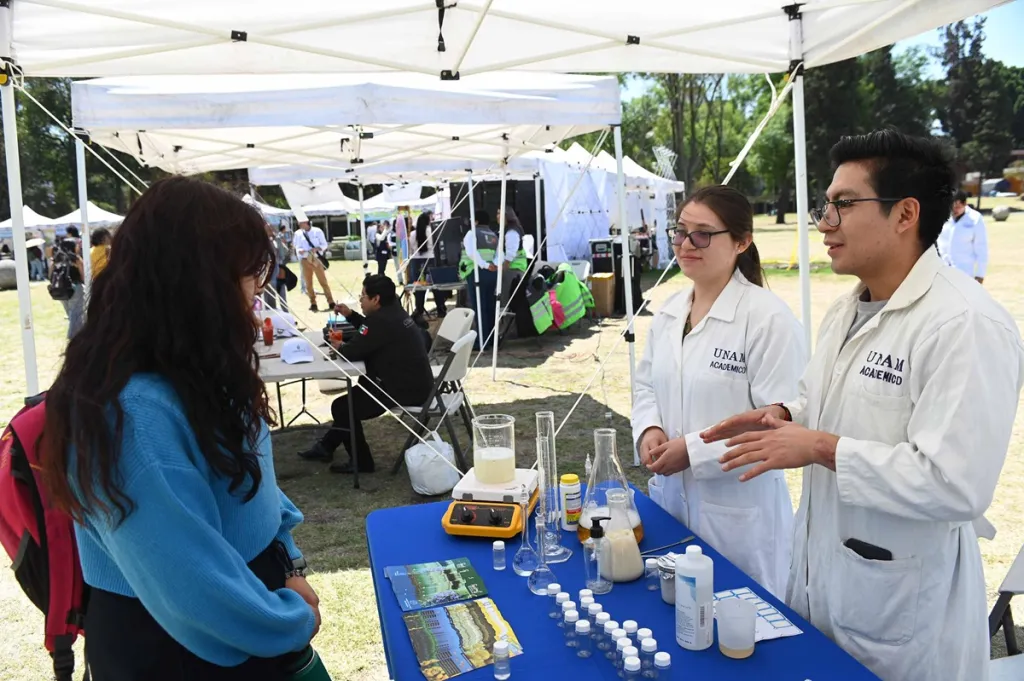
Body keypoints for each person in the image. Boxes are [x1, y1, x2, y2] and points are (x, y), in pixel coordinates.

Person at [702, 130, 1024, 681]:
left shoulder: (965, 325)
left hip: (904, 620)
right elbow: (830, 405)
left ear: (905, 214)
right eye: (826, 206)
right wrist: (786, 417)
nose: (824, 222)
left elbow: (955, 483)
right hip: (824, 586)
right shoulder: (847, 310)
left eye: (843, 205)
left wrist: (820, 447)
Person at [38, 177, 322, 680]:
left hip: (246, 616)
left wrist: (289, 564)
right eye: (246, 278)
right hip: (183, 650)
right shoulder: (129, 412)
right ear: (196, 285)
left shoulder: (197, 369)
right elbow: (191, 586)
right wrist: (288, 621)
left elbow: (254, 486)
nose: (257, 296)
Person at [631, 186, 805, 596]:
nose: (687, 244)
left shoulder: (767, 319)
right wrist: (650, 429)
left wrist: (692, 451)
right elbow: (645, 385)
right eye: (681, 231)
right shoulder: (670, 311)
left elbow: (782, 424)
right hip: (671, 502)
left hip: (739, 519)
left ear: (742, 242)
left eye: (703, 234)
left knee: (741, 626)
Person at [298, 274, 433, 474]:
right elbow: (370, 333)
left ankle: (362, 462)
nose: (360, 300)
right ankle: (326, 447)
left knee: (343, 407)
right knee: (356, 394)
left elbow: (353, 351)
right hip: (416, 383)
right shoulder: (393, 312)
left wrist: (339, 346)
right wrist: (351, 315)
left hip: (402, 389)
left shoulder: (380, 321)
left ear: (376, 299)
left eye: (363, 296)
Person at [459, 210, 499, 349]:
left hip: (477, 272)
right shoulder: (493, 235)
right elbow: (499, 253)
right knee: (490, 306)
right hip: (492, 273)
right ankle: (492, 339)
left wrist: (485, 265)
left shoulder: (472, 233)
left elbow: (471, 253)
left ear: (476, 221)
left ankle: (482, 341)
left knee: (479, 307)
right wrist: (493, 265)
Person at [937, 189, 988, 284]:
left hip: (966, 272)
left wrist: (980, 274)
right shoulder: (944, 217)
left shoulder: (975, 219)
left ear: (965, 204)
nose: (954, 210)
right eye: (952, 207)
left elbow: (981, 248)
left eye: (958, 207)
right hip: (944, 271)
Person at [408, 211, 449, 318]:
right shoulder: (434, 231)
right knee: (436, 286)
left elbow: (411, 250)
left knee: (419, 286)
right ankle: (441, 309)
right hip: (432, 260)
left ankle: (419, 310)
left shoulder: (412, 234)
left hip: (416, 261)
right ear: (428, 221)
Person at [294, 220, 335, 312]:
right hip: (305, 260)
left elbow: (324, 244)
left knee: (323, 281)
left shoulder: (317, 231)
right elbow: (297, 246)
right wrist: (301, 251)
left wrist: (316, 249)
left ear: (306, 222)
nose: (299, 224)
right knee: (308, 283)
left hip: (316, 259)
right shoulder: (298, 233)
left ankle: (330, 301)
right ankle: (313, 303)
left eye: (301, 223)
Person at [57, 226, 86, 338]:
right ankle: (73, 337)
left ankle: (77, 335)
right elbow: (83, 274)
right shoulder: (76, 259)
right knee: (76, 314)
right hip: (75, 287)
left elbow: (50, 274)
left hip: (60, 288)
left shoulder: (57, 258)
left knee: (71, 314)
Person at [264, 223, 291, 311]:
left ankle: (285, 313)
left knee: (282, 293)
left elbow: (284, 254)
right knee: (270, 294)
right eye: (268, 228)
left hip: (279, 270)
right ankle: (272, 313)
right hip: (268, 271)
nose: (271, 229)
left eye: (271, 228)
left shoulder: (277, 240)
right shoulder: (261, 241)